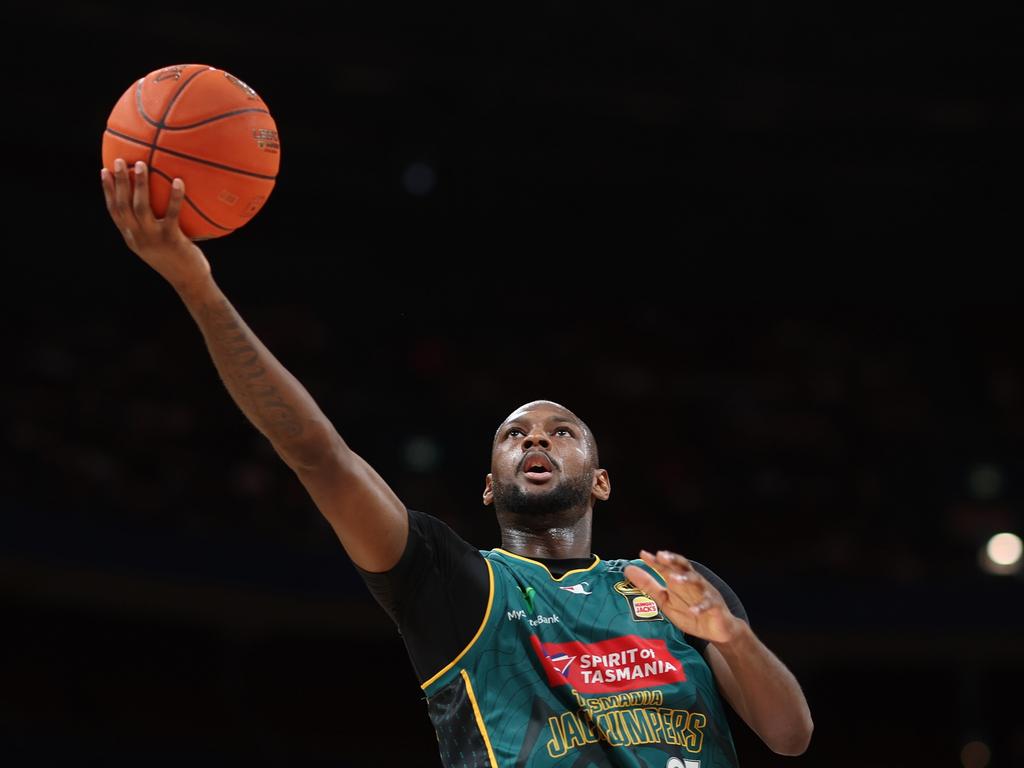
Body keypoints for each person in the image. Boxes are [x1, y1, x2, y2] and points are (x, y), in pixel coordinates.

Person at [101, 159, 814, 767]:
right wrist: (198, 288)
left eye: (562, 432)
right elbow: (319, 457)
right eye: (514, 436)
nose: (535, 441)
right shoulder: (452, 585)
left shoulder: (679, 594)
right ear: (487, 486)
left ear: (601, 479)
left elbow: (789, 736)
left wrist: (735, 638)